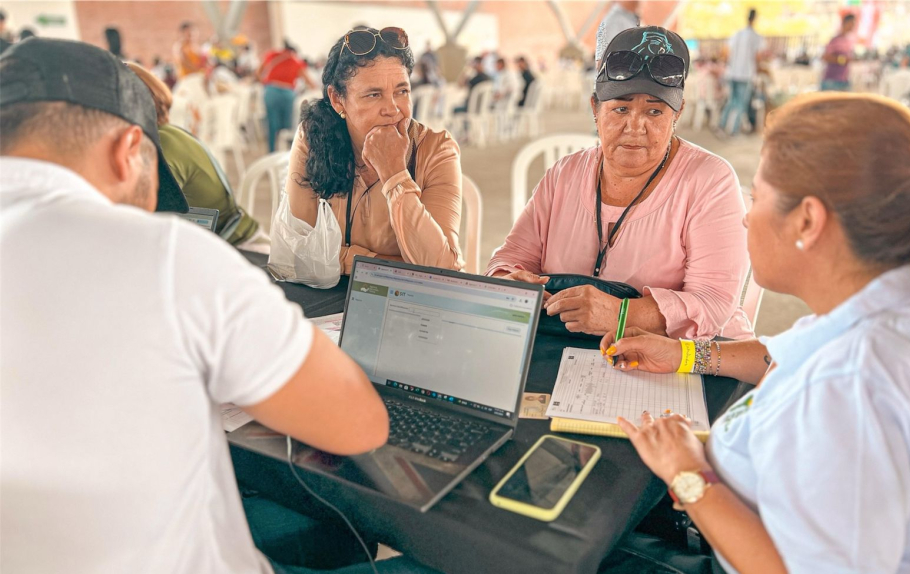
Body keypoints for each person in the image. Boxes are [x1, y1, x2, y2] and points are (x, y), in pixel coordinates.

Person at [0, 38, 498, 574]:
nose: (392, 109)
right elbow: (359, 421)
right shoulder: (167, 256)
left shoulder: (429, 146)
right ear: (129, 151)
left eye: (400, 91)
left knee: (314, 520)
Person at [589, 93, 910, 574]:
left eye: (756, 195)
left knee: (562, 570)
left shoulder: (850, 387)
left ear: (807, 220)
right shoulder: (900, 304)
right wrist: (687, 355)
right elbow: (782, 353)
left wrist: (692, 476)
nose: (746, 216)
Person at [487, 27, 752, 340]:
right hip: (570, 350)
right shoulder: (563, 175)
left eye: (655, 111)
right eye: (621, 109)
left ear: (677, 113)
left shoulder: (709, 180)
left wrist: (620, 314)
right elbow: (508, 259)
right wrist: (511, 282)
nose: (635, 126)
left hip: (676, 358)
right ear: (595, 110)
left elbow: (713, 301)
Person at [287, 27, 464, 274]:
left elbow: (441, 270)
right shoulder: (313, 136)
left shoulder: (436, 150)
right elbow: (299, 249)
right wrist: (391, 264)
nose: (392, 109)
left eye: (402, 91)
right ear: (338, 100)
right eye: (373, 95)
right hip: (328, 301)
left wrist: (395, 175)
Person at [125, 61, 263, 249]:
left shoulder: (159, 148)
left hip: (238, 250)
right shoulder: (168, 133)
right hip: (228, 242)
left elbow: (143, 227)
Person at [258, 39, 317, 153]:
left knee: (272, 124)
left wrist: (265, 84)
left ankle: (272, 153)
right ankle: (289, 154)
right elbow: (309, 82)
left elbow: (259, 71)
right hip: (287, 92)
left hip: (271, 90)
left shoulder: (272, 55)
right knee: (288, 125)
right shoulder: (295, 61)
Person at [719, 8, 765, 136]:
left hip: (732, 72)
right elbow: (758, 57)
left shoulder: (737, 34)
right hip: (745, 74)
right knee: (741, 103)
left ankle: (722, 126)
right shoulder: (756, 37)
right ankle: (733, 130)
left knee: (731, 101)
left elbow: (726, 52)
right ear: (755, 19)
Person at [821, 14, 857, 91]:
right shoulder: (836, 40)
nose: (852, 26)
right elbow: (825, 57)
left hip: (844, 80)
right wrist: (842, 60)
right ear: (845, 23)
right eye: (851, 23)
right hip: (832, 80)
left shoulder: (849, 40)